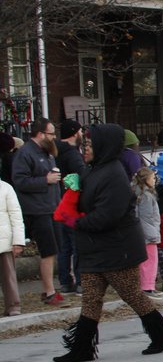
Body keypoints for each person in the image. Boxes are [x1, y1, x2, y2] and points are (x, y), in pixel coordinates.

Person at [52, 123, 163, 362]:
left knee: (132, 295)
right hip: (95, 249)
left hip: (118, 250)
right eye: (84, 144)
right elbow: (85, 205)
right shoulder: (92, 170)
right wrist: (72, 192)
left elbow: (107, 216)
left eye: (89, 144)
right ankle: (82, 349)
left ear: (103, 146)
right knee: (90, 299)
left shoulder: (114, 174)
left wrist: (76, 222)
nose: (85, 149)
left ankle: (162, 336)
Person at [12, 118, 63, 306]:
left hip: (51, 206)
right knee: (47, 251)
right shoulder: (25, 154)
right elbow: (20, 181)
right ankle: (49, 292)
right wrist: (45, 180)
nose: (54, 137)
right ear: (40, 134)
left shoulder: (47, 152)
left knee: (55, 248)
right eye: (51, 134)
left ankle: (50, 289)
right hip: (37, 209)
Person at [55, 120, 86, 294]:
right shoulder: (73, 155)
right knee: (77, 244)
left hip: (58, 202)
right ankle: (81, 280)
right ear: (75, 133)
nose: (81, 134)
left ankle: (65, 281)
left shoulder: (54, 151)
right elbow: (82, 176)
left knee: (64, 246)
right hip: (72, 203)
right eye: (80, 131)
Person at [131, 167, 161, 299]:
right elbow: (147, 218)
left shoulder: (139, 194)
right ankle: (147, 286)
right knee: (150, 261)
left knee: (144, 262)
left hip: (142, 232)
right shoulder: (147, 196)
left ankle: (147, 286)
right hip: (148, 234)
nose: (154, 180)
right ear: (146, 180)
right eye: (152, 178)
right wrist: (153, 234)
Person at [0, 174, 24, 316]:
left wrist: (18, 241)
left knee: (8, 276)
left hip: (4, 241)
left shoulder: (6, 188)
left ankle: (13, 305)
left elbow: (16, 215)